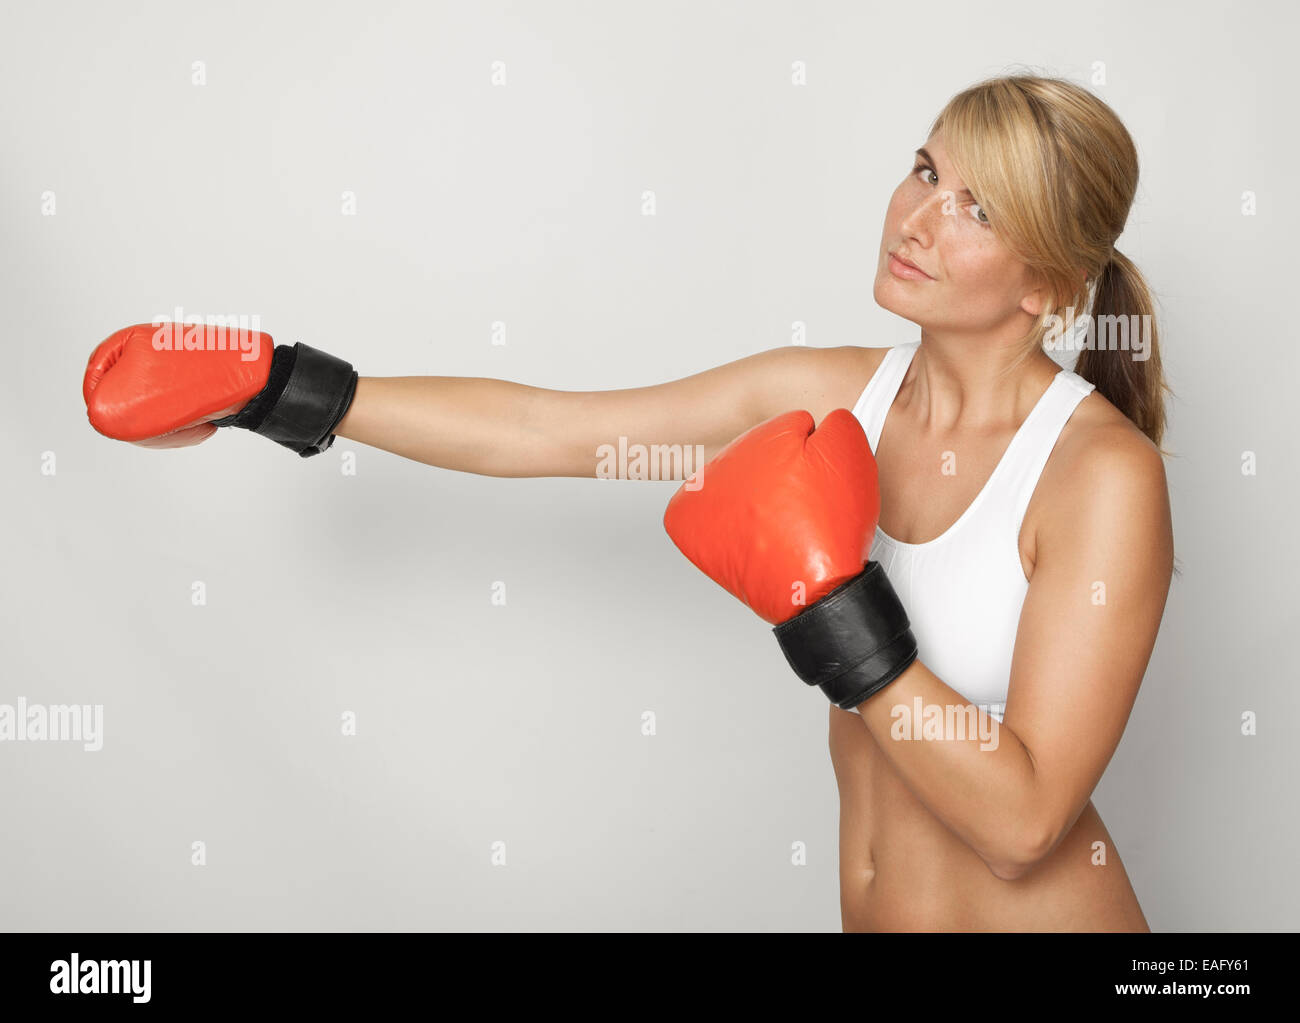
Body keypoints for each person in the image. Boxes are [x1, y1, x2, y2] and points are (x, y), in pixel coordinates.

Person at [82, 73, 1174, 932]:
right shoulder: (831, 394)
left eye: (973, 207)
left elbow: (1025, 825)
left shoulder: (1098, 476)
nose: (918, 218)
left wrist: (832, 610)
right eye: (925, 167)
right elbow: (550, 431)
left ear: (1043, 284)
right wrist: (285, 387)